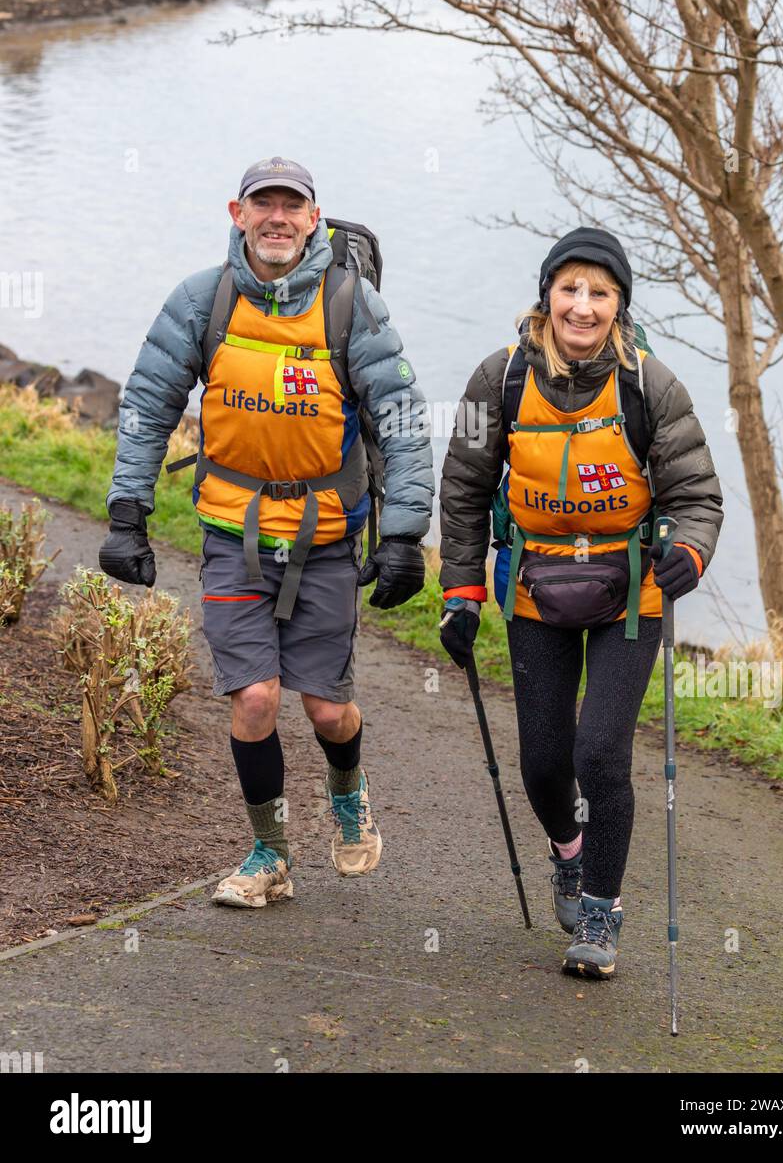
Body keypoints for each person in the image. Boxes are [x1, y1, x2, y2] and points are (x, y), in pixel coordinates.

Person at [99, 157, 433, 907]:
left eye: (293, 205)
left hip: (325, 541)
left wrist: (405, 534)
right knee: (253, 699)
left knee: (326, 708)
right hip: (232, 534)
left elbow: (404, 421)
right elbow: (149, 400)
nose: (277, 217)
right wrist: (129, 513)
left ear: (315, 218)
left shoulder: (353, 305)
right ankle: (269, 854)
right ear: (238, 212)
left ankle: (348, 790)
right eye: (263, 204)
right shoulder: (202, 299)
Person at [438, 228, 722, 978]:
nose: (583, 306)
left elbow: (696, 493)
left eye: (600, 292)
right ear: (547, 297)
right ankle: (569, 852)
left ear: (619, 305)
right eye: (570, 289)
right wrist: (462, 591)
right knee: (542, 762)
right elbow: (464, 489)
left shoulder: (650, 385)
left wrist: (687, 551)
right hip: (535, 589)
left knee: (599, 751)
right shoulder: (496, 381)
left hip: (633, 593)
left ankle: (601, 911)